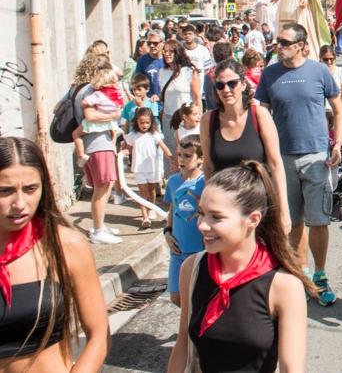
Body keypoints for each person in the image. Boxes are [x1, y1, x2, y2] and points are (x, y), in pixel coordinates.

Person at [167, 162, 312, 373]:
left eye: (216, 217)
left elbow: (292, 369)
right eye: (201, 213)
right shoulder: (193, 268)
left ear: (252, 220)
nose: (202, 225)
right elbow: (182, 345)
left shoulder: (284, 286)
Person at [0, 137, 109, 372]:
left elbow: (99, 334)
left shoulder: (65, 245)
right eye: (5, 191)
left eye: (30, 189)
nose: (19, 203)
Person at [254, 23, 342, 306]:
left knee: (319, 221)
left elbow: (339, 109)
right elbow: (261, 114)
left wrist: (338, 143)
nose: (278, 46)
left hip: (317, 156)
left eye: (284, 42)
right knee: (291, 224)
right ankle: (298, 275)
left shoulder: (319, 71)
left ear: (301, 45)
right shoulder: (269, 75)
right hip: (282, 161)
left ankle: (320, 275)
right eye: (277, 41)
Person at [201, 59, 291, 237]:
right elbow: (208, 167)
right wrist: (207, 209)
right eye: (220, 85)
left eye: (232, 83)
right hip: (224, 210)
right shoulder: (208, 120)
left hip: (258, 207)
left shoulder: (259, 115)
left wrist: (283, 210)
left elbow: (275, 164)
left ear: (243, 84)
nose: (226, 89)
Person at [72, 58, 122, 244]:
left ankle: (99, 225)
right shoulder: (92, 91)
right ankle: (98, 231)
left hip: (99, 144)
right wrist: (114, 115)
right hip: (98, 144)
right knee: (102, 188)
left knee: (105, 186)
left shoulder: (85, 89)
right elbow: (90, 116)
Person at [163, 135, 205, 306]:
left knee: (197, 297)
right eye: (180, 154)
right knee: (177, 297)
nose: (181, 159)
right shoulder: (173, 182)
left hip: (201, 251)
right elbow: (172, 209)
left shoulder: (205, 182)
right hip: (178, 251)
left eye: (188, 156)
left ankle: (191, 331)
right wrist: (167, 232)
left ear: (201, 159)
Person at [123, 107, 172, 229]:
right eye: (141, 122)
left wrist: (172, 160)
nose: (144, 125)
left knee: (152, 191)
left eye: (147, 123)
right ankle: (145, 217)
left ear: (151, 122)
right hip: (139, 169)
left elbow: (164, 147)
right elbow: (127, 149)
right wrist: (121, 155)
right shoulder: (133, 136)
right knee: (142, 193)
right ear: (136, 122)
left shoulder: (155, 135)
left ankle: (152, 208)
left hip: (153, 168)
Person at [159, 40, 202, 164]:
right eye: (165, 51)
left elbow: (197, 98)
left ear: (177, 53)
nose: (167, 54)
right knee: (172, 154)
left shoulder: (189, 71)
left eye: (170, 51)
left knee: (189, 153)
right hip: (168, 118)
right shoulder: (162, 72)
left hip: (186, 119)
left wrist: (198, 119)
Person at [72, 67, 123, 165]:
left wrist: (83, 104)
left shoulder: (99, 94)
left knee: (75, 134)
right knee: (113, 134)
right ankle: (113, 149)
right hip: (111, 123)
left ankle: (81, 155)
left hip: (95, 123)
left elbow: (85, 102)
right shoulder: (116, 93)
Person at [135, 31, 166, 99]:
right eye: (149, 43)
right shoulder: (142, 60)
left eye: (155, 43)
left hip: (167, 102)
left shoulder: (168, 59)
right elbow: (137, 82)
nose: (152, 46)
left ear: (163, 43)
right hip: (150, 103)